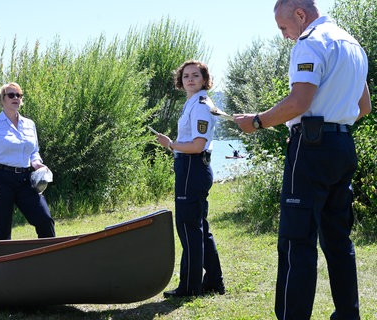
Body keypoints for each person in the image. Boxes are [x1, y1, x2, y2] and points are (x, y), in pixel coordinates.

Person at [233, 1, 372, 318]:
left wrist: (257, 121)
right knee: (338, 240)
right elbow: (363, 107)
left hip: (312, 151)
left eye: (283, 27)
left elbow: (299, 100)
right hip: (342, 146)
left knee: (297, 241)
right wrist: (331, 126)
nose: (284, 36)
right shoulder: (352, 45)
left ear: (300, 15)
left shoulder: (310, 41)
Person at [155, 60, 225, 298]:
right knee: (199, 228)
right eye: (186, 76)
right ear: (180, 80)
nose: (190, 79)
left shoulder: (201, 106)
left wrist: (170, 144)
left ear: (205, 79)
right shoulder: (193, 103)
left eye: (196, 75)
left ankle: (190, 286)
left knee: (188, 229)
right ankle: (214, 281)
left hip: (192, 168)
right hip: (191, 168)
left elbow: (197, 146)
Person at [0, 82, 55, 240]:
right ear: (2, 99)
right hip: (0, 179)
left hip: (25, 179)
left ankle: (49, 257)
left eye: (18, 95)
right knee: (2, 228)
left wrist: (37, 163)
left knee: (44, 219)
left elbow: (34, 151)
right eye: (11, 95)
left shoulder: (29, 124)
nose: (15, 98)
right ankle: (2, 263)